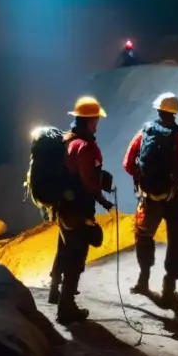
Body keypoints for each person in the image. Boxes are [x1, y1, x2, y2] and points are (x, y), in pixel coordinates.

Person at [123, 92, 178, 305]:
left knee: (144, 235)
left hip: (150, 197)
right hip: (177, 197)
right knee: (176, 240)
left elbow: (127, 163)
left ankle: (143, 280)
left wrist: (144, 178)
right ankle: (169, 289)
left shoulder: (143, 134)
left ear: (157, 110)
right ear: (175, 113)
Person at [48, 95, 115, 324]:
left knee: (63, 248)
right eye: (95, 120)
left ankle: (54, 292)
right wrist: (103, 197)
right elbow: (88, 182)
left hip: (63, 206)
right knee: (76, 256)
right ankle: (66, 309)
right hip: (78, 209)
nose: (97, 124)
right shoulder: (85, 147)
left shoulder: (67, 140)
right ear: (89, 121)